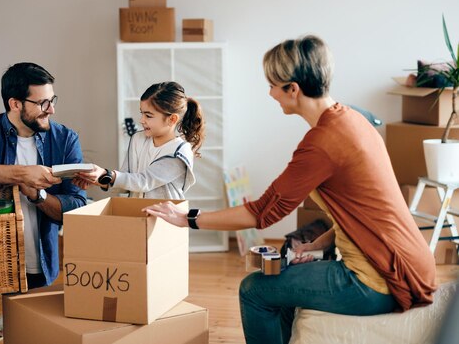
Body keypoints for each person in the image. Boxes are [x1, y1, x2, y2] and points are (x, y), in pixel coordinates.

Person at [142, 36, 437, 344]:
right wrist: (316, 246)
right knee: (279, 281)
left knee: (254, 290)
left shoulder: (323, 143)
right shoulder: (351, 120)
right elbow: (361, 212)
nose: (270, 93)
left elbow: (262, 213)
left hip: (378, 281)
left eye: (272, 85)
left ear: (293, 89)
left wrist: (187, 218)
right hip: (406, 262)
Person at [0, 62, 87, 344]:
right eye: (43, 102)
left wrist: (36, 194)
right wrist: (23, 174)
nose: (52, 109)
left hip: (36, 253)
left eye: (53, 100)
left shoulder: (65, 139)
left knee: (27, 327)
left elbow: (76, 207)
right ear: (14, 103)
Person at [74, 81, 204, 199]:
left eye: (148, 115)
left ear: (172, 119)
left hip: (165, 221)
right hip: (137, 215)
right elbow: (127, 181)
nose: (142, 120)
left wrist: (107, 174)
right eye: (142, 113)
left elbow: (144, 181)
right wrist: (99, 179)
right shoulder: (138, 139)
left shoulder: (179, 152)